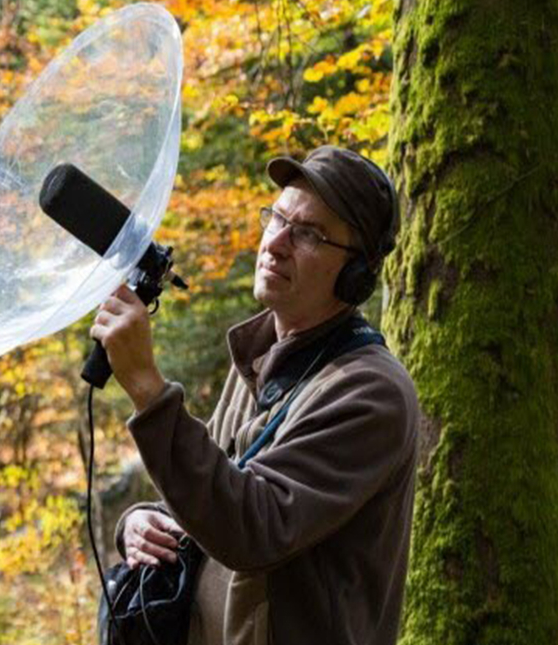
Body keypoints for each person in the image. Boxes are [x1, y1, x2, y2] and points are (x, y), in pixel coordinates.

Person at [91, 146, 420, 645]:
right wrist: (142, 522)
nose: (277, 242)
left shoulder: (371, 392)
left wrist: (148, 390)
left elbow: (254, 527)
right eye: (278, 218)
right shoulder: (262, 357)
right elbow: (213, 489)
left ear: (356, 274)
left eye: (308, 233)